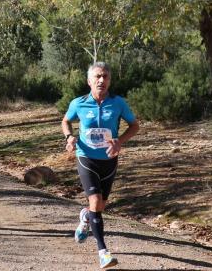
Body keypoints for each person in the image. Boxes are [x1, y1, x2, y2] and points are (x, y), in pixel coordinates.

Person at [61, 62, 139, 269]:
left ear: (110, 80)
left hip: (109, 160)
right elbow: (65, 120)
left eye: (105, 77)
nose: (101, 80)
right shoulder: (79, 103)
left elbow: (135, 125)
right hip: (86, 158)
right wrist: (69, 137)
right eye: (97, 77)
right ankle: (103, 252)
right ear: (89, 81)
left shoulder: (118, 103)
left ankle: (86, 217)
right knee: (95, 200)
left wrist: (120, 141)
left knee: (100, 206)